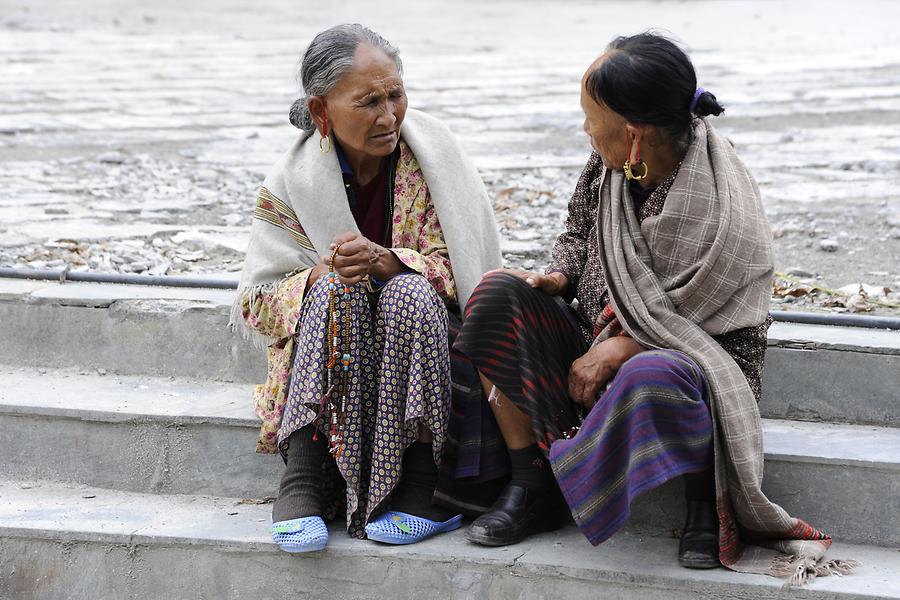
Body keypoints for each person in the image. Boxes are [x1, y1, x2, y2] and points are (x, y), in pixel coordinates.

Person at [455, 32, 853, 584]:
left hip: (700, 360)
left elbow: (713, 322)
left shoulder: (719, 195)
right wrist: (558, 276)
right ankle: (534, 481)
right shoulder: (607, 165)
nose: (585, 130)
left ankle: (704, 508)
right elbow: (575, 233)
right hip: (594, 334)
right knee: (498, 294)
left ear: (633, 133)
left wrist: (627, 344)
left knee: (652, 371)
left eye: (590, 118)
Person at [231, 24, 501, 552]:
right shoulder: (291, 180)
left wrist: (390, 263)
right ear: (320, 111)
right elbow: (254, 303)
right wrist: (319, 274)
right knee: (334, 292)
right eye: (368, 102)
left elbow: (474, 275)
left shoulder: (434, 157)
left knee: (408, 292)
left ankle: (426, 484)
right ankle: (306, 478)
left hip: (428, 348)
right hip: (338, 348)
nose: (388, 115)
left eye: (395, 95)